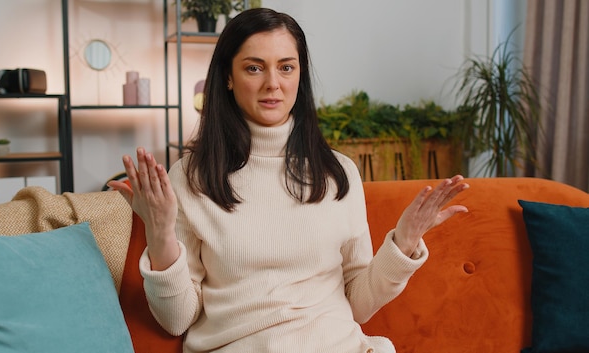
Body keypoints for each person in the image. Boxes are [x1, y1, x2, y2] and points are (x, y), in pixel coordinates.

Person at [109, 7, 469, 353]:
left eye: (286, 67)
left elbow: (357, 306)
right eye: (254, 68)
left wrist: (403, 243)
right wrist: (159, 234)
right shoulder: (192, 176)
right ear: (229, 78)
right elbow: (177, 320)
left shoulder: (338, 173)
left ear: (300, 75)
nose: (273, 84)